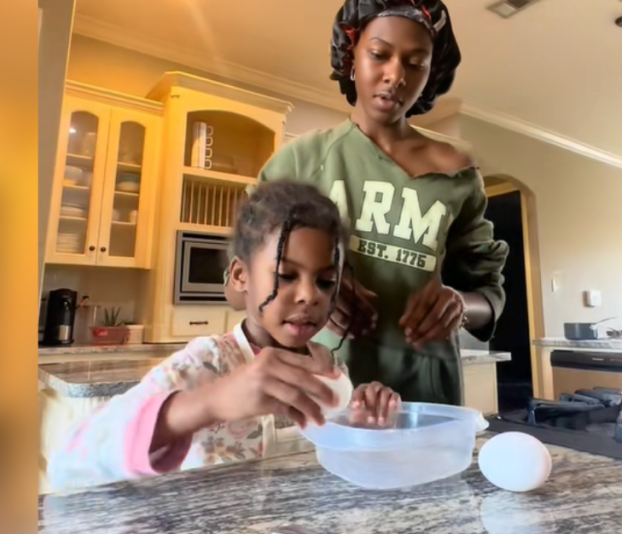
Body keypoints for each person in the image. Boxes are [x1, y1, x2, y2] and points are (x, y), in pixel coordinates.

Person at [225, 0, 509, 406]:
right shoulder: (300, 162)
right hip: (319, 392)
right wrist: (318, 290)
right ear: (351, 56)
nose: (396, 75)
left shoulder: (459, 178)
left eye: (416, 63)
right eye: (379, 54)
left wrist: (460, 305)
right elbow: (235, 287)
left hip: (426, 397)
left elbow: (488, 293)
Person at [50, 181, 401, 491]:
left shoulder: (330, 368)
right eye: (286, 275)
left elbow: (332, 473)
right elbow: (68, 462)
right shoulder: (205, 364)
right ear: (240, 276)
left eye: (326, 282)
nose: (310, 295)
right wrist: (208, 403)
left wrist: (362, 429)